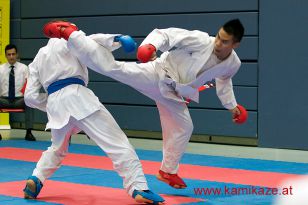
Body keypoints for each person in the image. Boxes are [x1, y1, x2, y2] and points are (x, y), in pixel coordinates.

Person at [43, 19, 247, 190]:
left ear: (235, 44)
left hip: (173, 93)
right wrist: (149, 46)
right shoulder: (203, 41)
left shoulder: (233, 64)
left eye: (225, 41)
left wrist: (232, 106)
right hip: (157, 73)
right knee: (115, 68)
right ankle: (71, 35)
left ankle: (167, 171)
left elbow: (224, 80)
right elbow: (167, 34)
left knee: (184, 127)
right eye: (219, 37)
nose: (218, 43)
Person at [22, 24, 164, 205]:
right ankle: (139, 187)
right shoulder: (71, 40)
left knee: (57, 149)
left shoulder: (38, 58)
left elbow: (30, 97)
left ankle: (36, 178)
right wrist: (117, 38)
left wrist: (50, 104)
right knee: (117, 142)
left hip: (55, 103)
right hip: (78, 97)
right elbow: (92, 42)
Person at [0, 44, 36, 141]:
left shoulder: (24, 68)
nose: (11, 57)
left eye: (13, 54)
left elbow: (30, 85)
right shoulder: (0, 69)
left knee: (29, 101)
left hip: (19, 100)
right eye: (9, 54)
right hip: (4, 100)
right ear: (5, 55)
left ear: (17, 55)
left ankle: (29, 132)